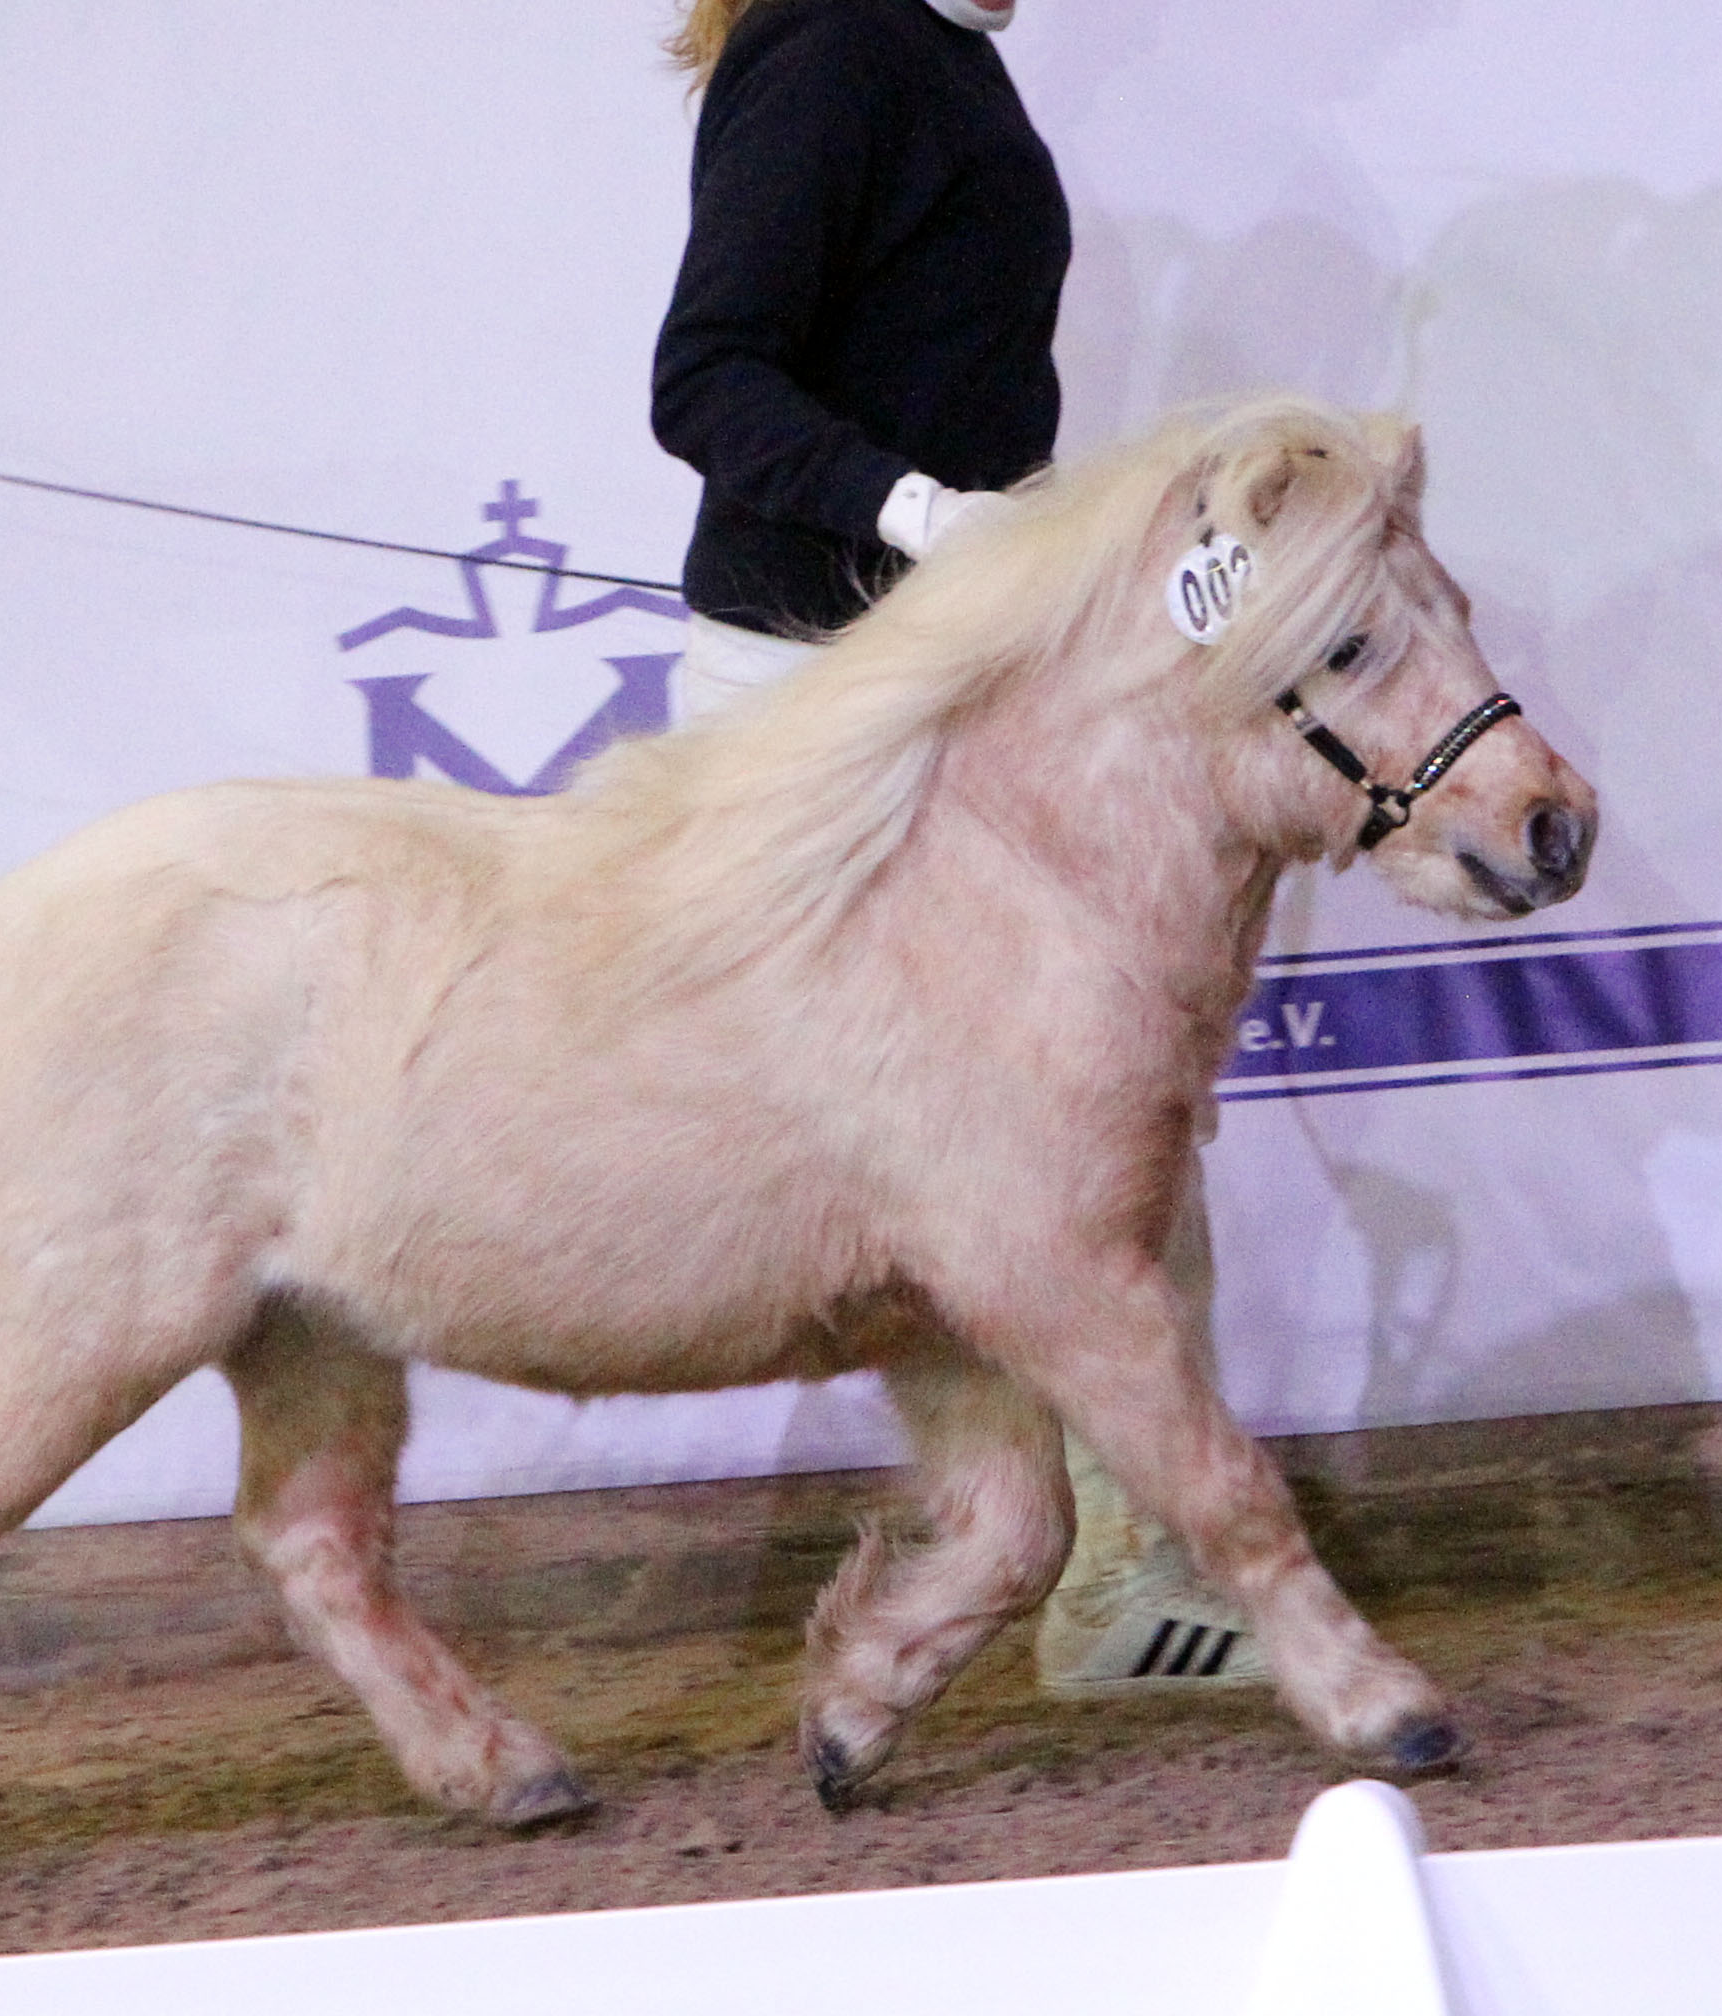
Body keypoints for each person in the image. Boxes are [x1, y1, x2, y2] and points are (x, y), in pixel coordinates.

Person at [650, 0, 1270, 1694]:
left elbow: (945, 373)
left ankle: (1129, 1570)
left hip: (937, 676)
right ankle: (1109, 1566)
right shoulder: (836, 46)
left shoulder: (927, 50)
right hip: (822, 698)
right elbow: (706, 377)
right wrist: (922, 512)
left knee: (1095, 1121)